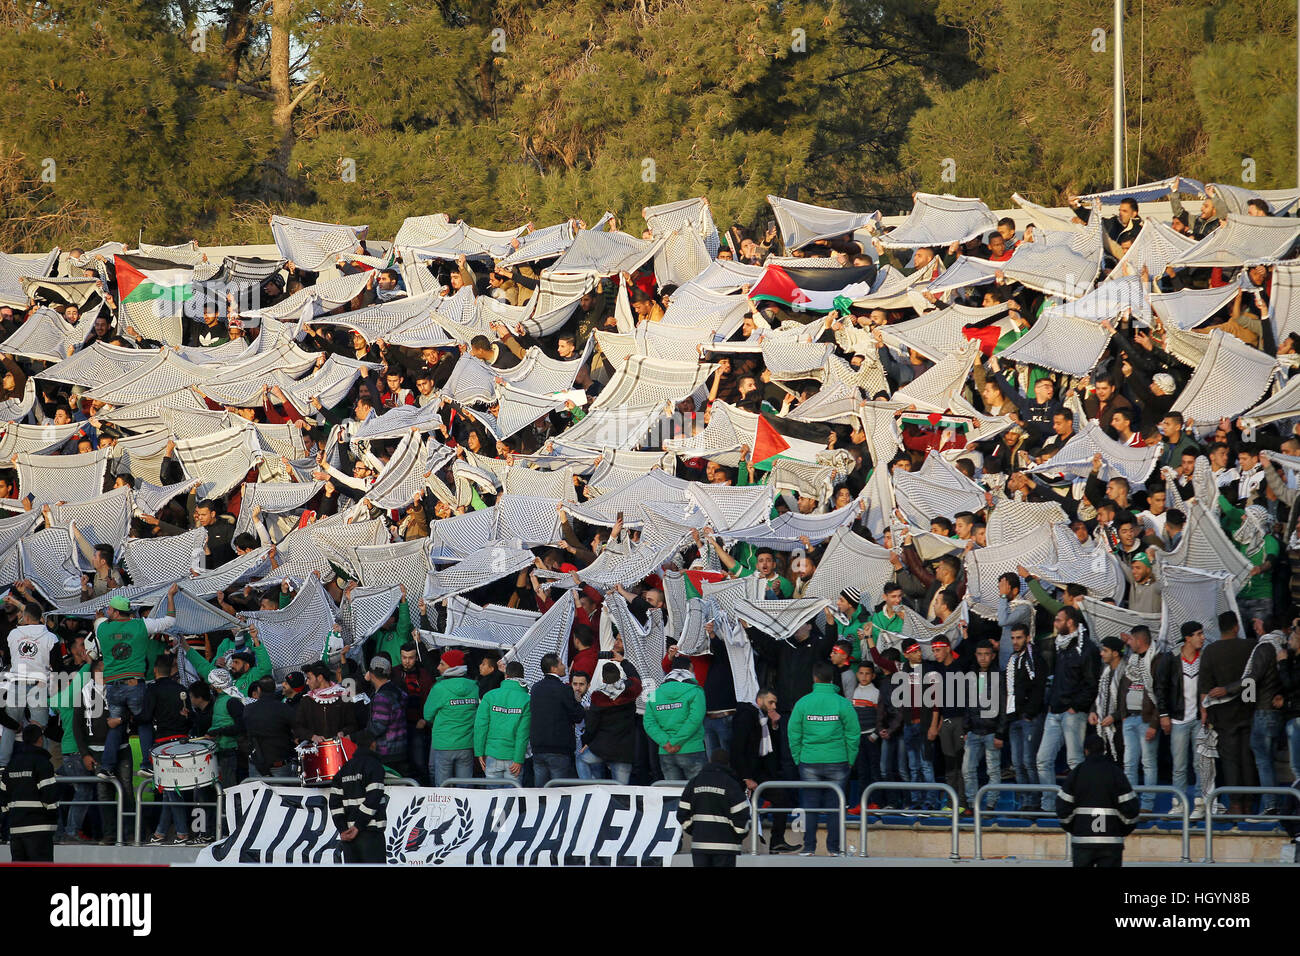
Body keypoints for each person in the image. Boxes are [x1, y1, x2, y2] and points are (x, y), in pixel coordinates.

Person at [90, 584, 178, 779]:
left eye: (109, 609)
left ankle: (106, 767)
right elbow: (170, 620)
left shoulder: (102, 628)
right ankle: (146, 764)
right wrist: (170, 596)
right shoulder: (141, 625)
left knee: (116, 725)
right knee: (144, 722)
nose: (107, 611)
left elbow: (99, 620)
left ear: (114, 611)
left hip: (112, 686)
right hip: (134, 684)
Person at [788, 660, 859, 856]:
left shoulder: (803, 702)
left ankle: (809, 847)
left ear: (814, 678)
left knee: (810, 805)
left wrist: (798, 758)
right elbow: (853, 734)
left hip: (809, 760)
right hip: (838, 760)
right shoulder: (842, 703)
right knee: (835, 806)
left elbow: (793, 733)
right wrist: (850, 759)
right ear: (832, 679)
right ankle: (833, 849)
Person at [1037, 607, 1099, 813]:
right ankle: (1049, 805)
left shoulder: (1087, 648)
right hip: (1054, 711)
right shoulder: (1059, 645)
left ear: (1070, 622)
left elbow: (1091, 683)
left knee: (1075, 760)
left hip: (1073, 713)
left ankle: (1078, 803)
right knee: (1043, 760)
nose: (1055, 623)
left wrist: (1077, 707)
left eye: (1058, 620)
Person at [1199, 612, 1257, 817]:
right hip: (1249, 710)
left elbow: (1204, 688)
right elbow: (1254, 677)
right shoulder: (1250, 646)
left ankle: (1235, 804)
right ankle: (1250, 804)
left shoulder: (1210, 651)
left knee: (1230, 760)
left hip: (1222, 715)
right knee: (1248, 758)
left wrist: (1204, 713)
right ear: (1235, 627)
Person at [1056, 734, 1141, 867]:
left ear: (1085, 751)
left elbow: (1062, 809)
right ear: (1104, 750)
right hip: (1111, 843)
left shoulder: (1077, 773)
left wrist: (1074, 828)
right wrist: (1121, 831)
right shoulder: (1116, 772)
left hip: (1082, 842)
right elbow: (1131, 810)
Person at [732, 688, 797, 853]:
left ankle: (777, 842)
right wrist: (746, 777)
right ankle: (731, 845)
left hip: (761, 773)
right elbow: (737, 748)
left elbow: (770, 747)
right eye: (770, 702)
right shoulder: (746, 716)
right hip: (744, 773)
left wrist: (774, 725)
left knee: (782, 799)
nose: (774, 706)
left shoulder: (765, 718)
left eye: (775, 703)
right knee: (737, 810)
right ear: (759, 701)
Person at [0, 597, 59, 767]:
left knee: (11, 727)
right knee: (40, 727)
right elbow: (56, 665)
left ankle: (3, 764)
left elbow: (10, 656)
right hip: (39, 684)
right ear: (40, 617)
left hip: (16, 682)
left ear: (25, 617)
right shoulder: (50, 637)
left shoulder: (14, 634)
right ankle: (43, 763)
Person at [677, 749, 751, 867]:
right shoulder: (731, 784)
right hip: (726, 847)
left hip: (700, 845)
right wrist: (738, 835)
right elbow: (741, 815)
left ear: (710, 761)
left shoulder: (695, 782)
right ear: (728, 764)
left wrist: (694, 830)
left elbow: (682, 813)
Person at [328, 730, 388, 864]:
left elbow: (334, 804)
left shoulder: (343, 770)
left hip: (348, 837)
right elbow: (374, 798)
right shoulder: (375, 766)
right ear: (373, 744)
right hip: (370, 833)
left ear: (356, 746)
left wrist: (343, 829)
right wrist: (358, 826)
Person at [0, 724, 59, 861]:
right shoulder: (43, 763)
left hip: (16, 830)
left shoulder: (12, 764)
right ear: (40, 739)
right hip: (39, 829)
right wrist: (53, 817)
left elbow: (3, 797)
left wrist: (11, 816)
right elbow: (49, 797)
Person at [423, 649, 480, 786]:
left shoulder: (439, 688)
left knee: (443, 790)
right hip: (467, 744)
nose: (438, 667)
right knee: (465, 788)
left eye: (442, 664)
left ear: (452, 667)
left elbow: (427, 715)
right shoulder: (474, 687)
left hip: (444, 745)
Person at [644, 658, 707, 781]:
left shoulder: (653, 695)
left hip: (666, 751)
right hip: (691, 748)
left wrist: (666, 742)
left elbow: (649, 723)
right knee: (697, 794)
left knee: (672, 794)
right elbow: (695, 719)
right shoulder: (696, 691)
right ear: (690, 668)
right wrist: (675, 742)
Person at [963, 640, 1008, 813]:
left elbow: (1004, 707)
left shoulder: (999, 676)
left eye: (986, 654)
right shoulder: (972, 676)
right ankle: (972, 804)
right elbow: (968, 704)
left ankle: (990, 805)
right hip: (973, 731)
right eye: (980, 654)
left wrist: (1000, 733)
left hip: (992, 731)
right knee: (967, 770)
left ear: (993, 655)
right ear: (976, 655)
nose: (983, 658)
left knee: (993, 771)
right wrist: (966, 729)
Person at [529, 652, 585, 784]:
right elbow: (577, 716)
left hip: (538, 748)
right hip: (558, 749)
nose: (564, 666)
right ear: (553, 668)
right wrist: (578, 702)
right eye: (561, 663)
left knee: (540, 793)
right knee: (558, 793)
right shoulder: (563, 690)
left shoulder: (536, 688)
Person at [581, 660, 641, 783]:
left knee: (581, 759)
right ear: (619, 676)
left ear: (603, 679)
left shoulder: (598, 696)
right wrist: (624, 662)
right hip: (624, 750)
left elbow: (592, 725)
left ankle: (592, 789)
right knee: (621, 791)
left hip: (602, 747)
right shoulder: (630, 690)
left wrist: (586, 741)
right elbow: (635, 678)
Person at [473, 661, 530, 782]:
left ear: (506, 676)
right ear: (522, 677)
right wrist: (519, 759)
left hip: (492, 754)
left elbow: (480, 726)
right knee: (512, 798)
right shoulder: (527, 699)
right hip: (514, 758)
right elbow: (523, 733)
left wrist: (479, 752)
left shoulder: (490, 696)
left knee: (493, 798)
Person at [242, 677, 296, 779]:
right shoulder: (283, 708)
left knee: (257, 795)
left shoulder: (248, 710)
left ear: (259, 690)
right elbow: (296, 728)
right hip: (279, 762)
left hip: (257, 762)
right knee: (283, 794)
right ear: (274, 689)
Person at [364, 655, 409, 777]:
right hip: (401, 748)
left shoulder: (382, 696)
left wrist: (357, 737)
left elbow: (378, 726)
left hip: (386, 752)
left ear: (371, 674)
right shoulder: (397, 690)